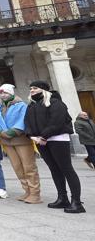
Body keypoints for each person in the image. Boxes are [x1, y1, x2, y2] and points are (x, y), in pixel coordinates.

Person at [25, 81, 84, 213]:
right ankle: (62, 198)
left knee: (66, 169)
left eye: (35, 88)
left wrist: (43, 136)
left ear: (44, 89)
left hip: (57, 139)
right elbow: (27, 122)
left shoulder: (56, 102)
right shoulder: (32, 105)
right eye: (31, 88)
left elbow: (56, 122)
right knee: (54, 169)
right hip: (41, 141)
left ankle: (77, 202)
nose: (32, 90)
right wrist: (31, 136)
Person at [0, 84, 42, 204]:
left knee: (29, 167)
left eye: (5, 93)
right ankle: (27, 191)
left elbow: (23, 120)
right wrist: (0, 132)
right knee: (17, 167)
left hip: (21, 140)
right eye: (1, 93)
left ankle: (35, 193)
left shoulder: (21, 105)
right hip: (6, 142)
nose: (3, 95)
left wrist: (11, 132)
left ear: (11, 93)